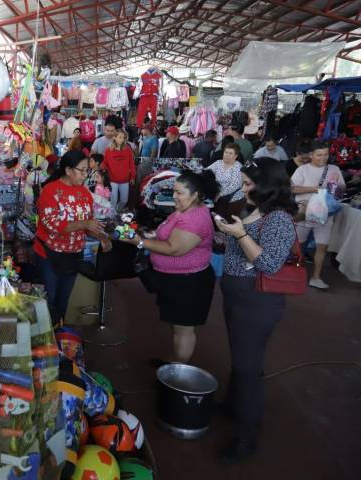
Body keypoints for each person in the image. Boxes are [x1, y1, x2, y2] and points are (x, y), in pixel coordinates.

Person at [214, 157, 297, 464]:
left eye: (249, 184)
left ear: (266, 186)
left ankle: (248, 435)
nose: (243, 188)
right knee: (240, 358)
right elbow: (237, 248)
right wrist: (225, 232)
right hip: (237, 296)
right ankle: (232, 405)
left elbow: (268, 263)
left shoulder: (278, 219)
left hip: (257, 302)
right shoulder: (253, 209)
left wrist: (239, 235)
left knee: (249, 369)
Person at [120, 171, 219, 365]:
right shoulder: (183, 210)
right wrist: (151, 235)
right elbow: (166, 232)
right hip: (177, 280)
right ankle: (173, 362)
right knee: (177, 327)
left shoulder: (195, 219)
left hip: (189, 283)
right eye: (174, 191)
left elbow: (174, 249)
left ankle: (178, 374)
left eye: (179, 192)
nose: (174, 196)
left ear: (196, 194)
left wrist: (139, 242)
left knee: (183, 330)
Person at [34, 150, 112, 324]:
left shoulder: (84, 193)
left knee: (63, 299)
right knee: (49, 298)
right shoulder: (50, 190)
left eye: (87, 171)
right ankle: (45, 339)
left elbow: (88, 223)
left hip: (73, 254)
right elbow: (51, 224)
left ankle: (58, 334)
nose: (85, 175)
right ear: (68, 170)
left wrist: (100, 237)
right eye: (82, 170)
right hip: (49, 254)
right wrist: (83, 224)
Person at [291, 140, 346, 290]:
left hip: (325, 214)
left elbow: (339, 192)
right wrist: (316, 189)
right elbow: (292, 188)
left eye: (326, 154)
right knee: (298, 246)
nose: (323, 158)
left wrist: (334, 186)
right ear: (311, 155)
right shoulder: (303, 170)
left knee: (322, 246)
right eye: (318, 155)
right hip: (304, 213)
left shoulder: (334, 169)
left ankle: (316, 277)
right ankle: (296, 273)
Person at [207, 142, 246, 220]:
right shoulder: (218, 163)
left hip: (233, 199)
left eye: (230, 153)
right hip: (219, 197)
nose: (227, 155)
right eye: (226, 152)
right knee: (216, 217)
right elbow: (207, 172)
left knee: (227, 219)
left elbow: (235, 185)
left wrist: (220, 194)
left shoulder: (238, 167)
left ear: (235, 156)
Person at [102, 130, 136, 211]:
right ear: (114, 137)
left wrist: (132, 177)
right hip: (112, 179)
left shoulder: (127, 149)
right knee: (113, 200)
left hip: (125, 180)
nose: (122, 140)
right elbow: (104, 163)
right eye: (120, 137)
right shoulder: (108, 150)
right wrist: (103, 172)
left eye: (123, 138)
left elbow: (131, 164)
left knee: (124, 200)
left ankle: (116, 212)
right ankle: (112, 216)